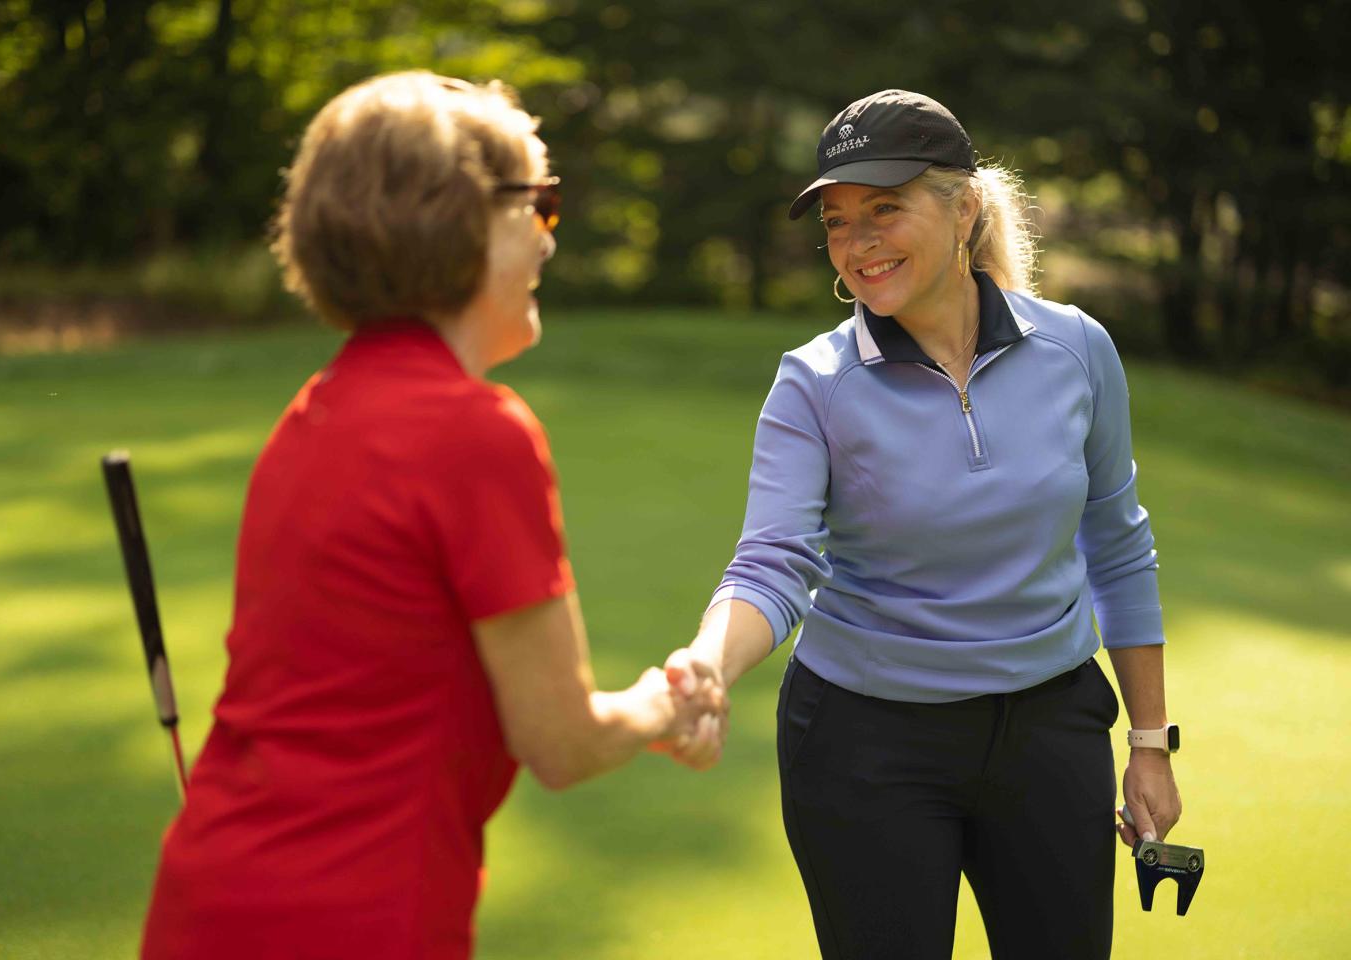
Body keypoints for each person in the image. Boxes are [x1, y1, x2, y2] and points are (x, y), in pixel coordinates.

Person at [140, 72, 724, 960]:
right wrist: (661, 705)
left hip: (209, 902)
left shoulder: (314, 410)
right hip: (359, 920)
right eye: (539, 204)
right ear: (459, 216)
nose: (547, 239)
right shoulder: (475, 433)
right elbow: (561, 743)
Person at [661, 89, 1184, 959]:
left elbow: (1119, 545)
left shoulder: (1078, 349)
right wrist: (708, 665)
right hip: (865, 745)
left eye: (885, 209)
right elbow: (773, 563)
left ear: (965, 208)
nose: (858, 243)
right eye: (837, 221)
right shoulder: (813, 382)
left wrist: (1150, 742)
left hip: (1050, 734)